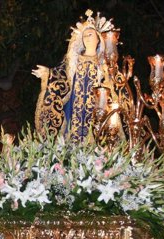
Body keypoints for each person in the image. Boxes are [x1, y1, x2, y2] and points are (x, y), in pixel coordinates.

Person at [33, 9, 112, 143]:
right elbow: (60, 76)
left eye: (91, 34)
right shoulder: (72, 61)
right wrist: (48, 74)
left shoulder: (104, 65)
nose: (87, 38)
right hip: (73, 112)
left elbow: (112, 89)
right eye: (85, 35)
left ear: (99, 39)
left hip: (96, 114)